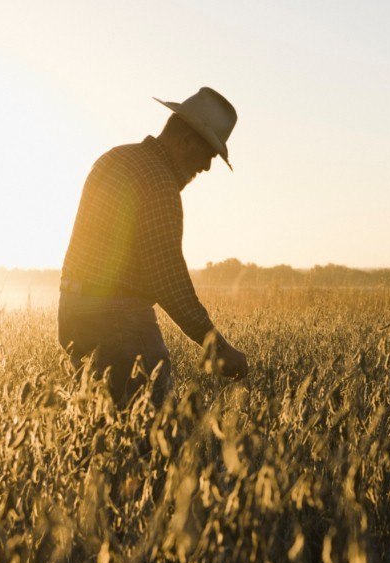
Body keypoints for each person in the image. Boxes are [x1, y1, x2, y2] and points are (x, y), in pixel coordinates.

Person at [58, 87, 249, 406]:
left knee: (101, 430)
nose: (206, 167)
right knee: (153, 434)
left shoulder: (114, 158)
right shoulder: (159, 184)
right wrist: (217, 346)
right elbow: (169, 280)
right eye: (208, 155)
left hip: (72, 310)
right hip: (119, 322)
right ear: (187, 141)